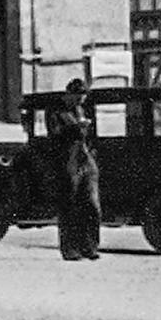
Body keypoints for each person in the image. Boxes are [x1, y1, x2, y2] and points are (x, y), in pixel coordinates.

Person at [44, 77, 101, 261]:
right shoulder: (56, 110)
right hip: (68, 161)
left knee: (92, 204)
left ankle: (90, 247)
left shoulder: (80, 109)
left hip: (86, 160)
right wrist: (76, 127)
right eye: (77, 98)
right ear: (69, 94)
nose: (80, 102)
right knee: (70, 205)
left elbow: (88, 136)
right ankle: (70, 249)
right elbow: (55, 135)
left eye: (82, 98)